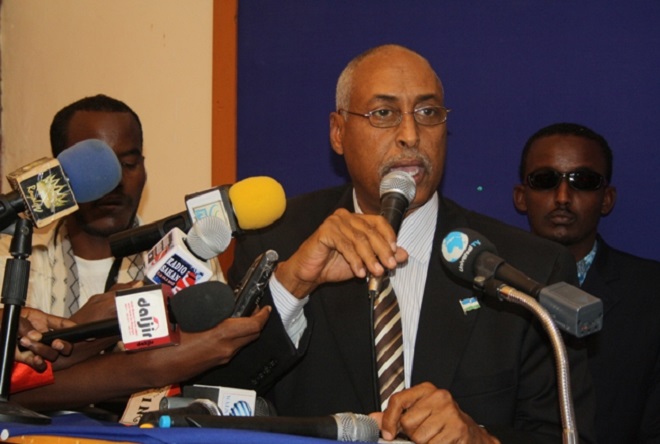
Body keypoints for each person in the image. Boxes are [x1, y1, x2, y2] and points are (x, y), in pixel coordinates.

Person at [194, 45, 596, 443]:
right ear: (338, 132)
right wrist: (291, 287)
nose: (410, 135)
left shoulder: (528, 267)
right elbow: (211, 401)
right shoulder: (276, 245)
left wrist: (481, 439)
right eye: (383, 113)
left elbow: (567, 436)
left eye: (428, 113)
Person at [0, 94, 223, 324]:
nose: (114, 181)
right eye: (92, 169)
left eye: (128, 164)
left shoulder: (191, 257)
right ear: (55, 173)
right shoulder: (10, 257)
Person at [513, 122, 660, 443]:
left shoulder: (652, 294)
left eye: (583, 181)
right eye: (545, 180)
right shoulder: (486, 290)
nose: (563, 197)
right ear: (521, 197)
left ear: (607, 199)